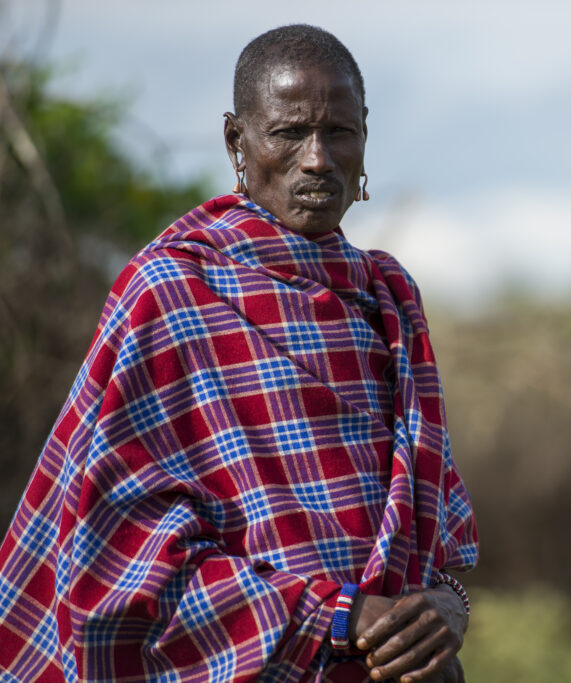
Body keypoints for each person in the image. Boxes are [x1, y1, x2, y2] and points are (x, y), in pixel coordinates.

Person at [0, 24, 478, 682]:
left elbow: (432, 547)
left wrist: (446, 610)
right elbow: (120, 562)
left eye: (339, 131)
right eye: (289, 133)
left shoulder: (388, 301)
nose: (316, 159)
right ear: (237, 142)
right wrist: (335, 617)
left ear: (365, 135)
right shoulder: (169, 294)